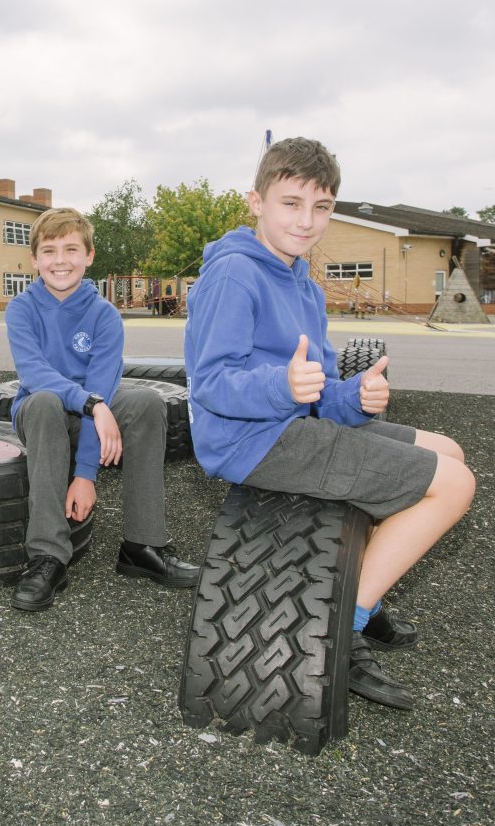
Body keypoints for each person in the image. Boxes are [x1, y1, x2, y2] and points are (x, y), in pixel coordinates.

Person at [183, 137, 475, 711]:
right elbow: (210, 383)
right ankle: (348, 625)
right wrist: (281, 387)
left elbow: (320, 391)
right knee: (455, 486)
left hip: (293, 423)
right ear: (256, 202)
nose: (306, 220)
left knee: (451, 451)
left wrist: (357, 398)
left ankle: (364, 580)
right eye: (290, 203)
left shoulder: (306, 286)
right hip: (251, 440)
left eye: (321, 207)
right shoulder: (235, 275)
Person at [2, 207, 200, 612]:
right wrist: (92, 405)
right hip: (41, 413)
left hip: (93, 406)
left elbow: (101, 386)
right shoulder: (21, 309)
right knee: (44, 401)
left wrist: (85, 474)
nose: (60, 260)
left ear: (89, 256)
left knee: (145, 402)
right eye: (50, 250)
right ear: (34, 260)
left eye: (71, 249)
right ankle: (47, 557)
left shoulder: (105, 315)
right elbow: (36, 374)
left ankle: (143, 545)